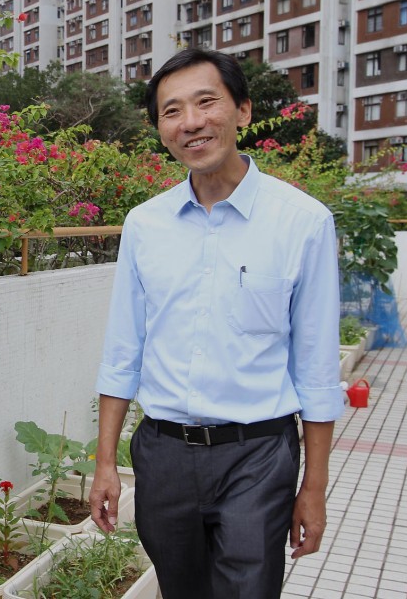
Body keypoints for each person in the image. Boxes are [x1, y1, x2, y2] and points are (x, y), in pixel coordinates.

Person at [87, 49, 345, 599]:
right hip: (163, 454)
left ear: (243, 112)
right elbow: (122, 350)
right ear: (160, 129)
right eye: (172, 111)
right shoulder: (144, 224)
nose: (192, 122)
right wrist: (105, 463)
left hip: (257, 454)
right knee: (180, 590)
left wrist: (314, 487)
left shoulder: (303, 224)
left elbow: (317, 368)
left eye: (207, 103)